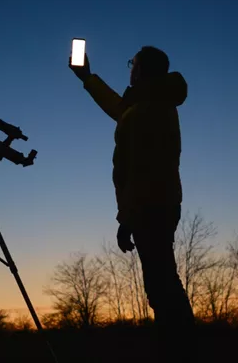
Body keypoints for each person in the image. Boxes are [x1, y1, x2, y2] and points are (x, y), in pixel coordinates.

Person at [69, 46, 195, 360]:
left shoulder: (148, 108)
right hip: (158, 203)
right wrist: (87, 78)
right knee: (163, 279)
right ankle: (179, 347)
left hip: (150, 205)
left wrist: (126, 218)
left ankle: (179, 350)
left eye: (133, 64)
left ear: (141, 70)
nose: (130, 69)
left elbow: (138, 169)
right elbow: (119, 107)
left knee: (161, 283)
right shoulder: (150, 102)